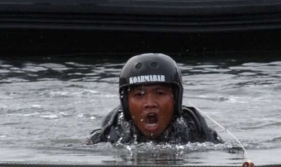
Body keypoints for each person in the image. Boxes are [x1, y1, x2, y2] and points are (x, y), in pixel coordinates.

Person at [89, 53, 221, 144]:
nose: (150, 103)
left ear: (176, 99)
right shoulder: (106, 138)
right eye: (139, 95)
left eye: (160, 93)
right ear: (126, 103)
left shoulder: (201, 136)